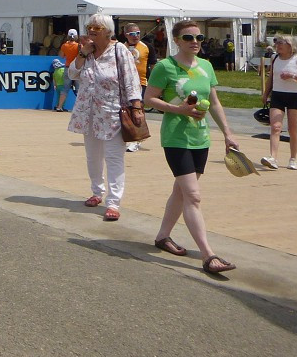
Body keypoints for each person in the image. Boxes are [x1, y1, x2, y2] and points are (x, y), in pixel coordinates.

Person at [145, 20, 240, 275]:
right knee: (193, 196)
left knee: (181, 192)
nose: (195, 42)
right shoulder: (165, 67)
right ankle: (209, 256)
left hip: (200, 138)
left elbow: (215, 103)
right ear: (176, 40)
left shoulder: (207, 67)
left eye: (199, 38)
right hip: (175, 138)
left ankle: (163, 236)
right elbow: (149, 99)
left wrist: (228, 134)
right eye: (188, 38)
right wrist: (178, 109)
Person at [66, 14, 143, 221]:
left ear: (108, 31)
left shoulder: (120, 51)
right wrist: (83, 52)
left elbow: (131, 80)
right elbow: (72, 74)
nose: (92, 30)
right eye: (90, 26)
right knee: (92, 157)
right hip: (89, 113)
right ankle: (96, 192)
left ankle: (113, 202)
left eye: (97, 27)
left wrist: (136, 106)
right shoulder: (87, 52)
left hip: (113, 113)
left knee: (113, 157)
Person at [260, 35, 297, 170]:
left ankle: (293, 159)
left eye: (282, 43)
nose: (278, 45)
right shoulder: (274, 58)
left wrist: (292, 76)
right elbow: (271, 77)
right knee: (275, 127)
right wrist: (265, 93)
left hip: (293, 96)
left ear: (290, 45)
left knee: (293, 129)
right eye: (277, 43)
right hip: (277, 95)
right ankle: (273, 158)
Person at [120, 22, 156, 153]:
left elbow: (153, 65)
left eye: (138, 33)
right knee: (126, 111)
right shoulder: (121, 47)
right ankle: (129, 136)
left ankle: (137, 139)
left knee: (138, 110)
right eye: (132, 34)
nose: (136, 36)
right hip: (124, 83)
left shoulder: (147, 47)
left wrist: (154, 83)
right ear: (126, 35)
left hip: (141, 82)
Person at [54, 29, 80, 112]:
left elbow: (61, 56)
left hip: (67, 67)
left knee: (65, 89)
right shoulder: (78, 46)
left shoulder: (64, 45)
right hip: (76, 67)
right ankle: (80, 107)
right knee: (79, 89)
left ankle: (59, 106)